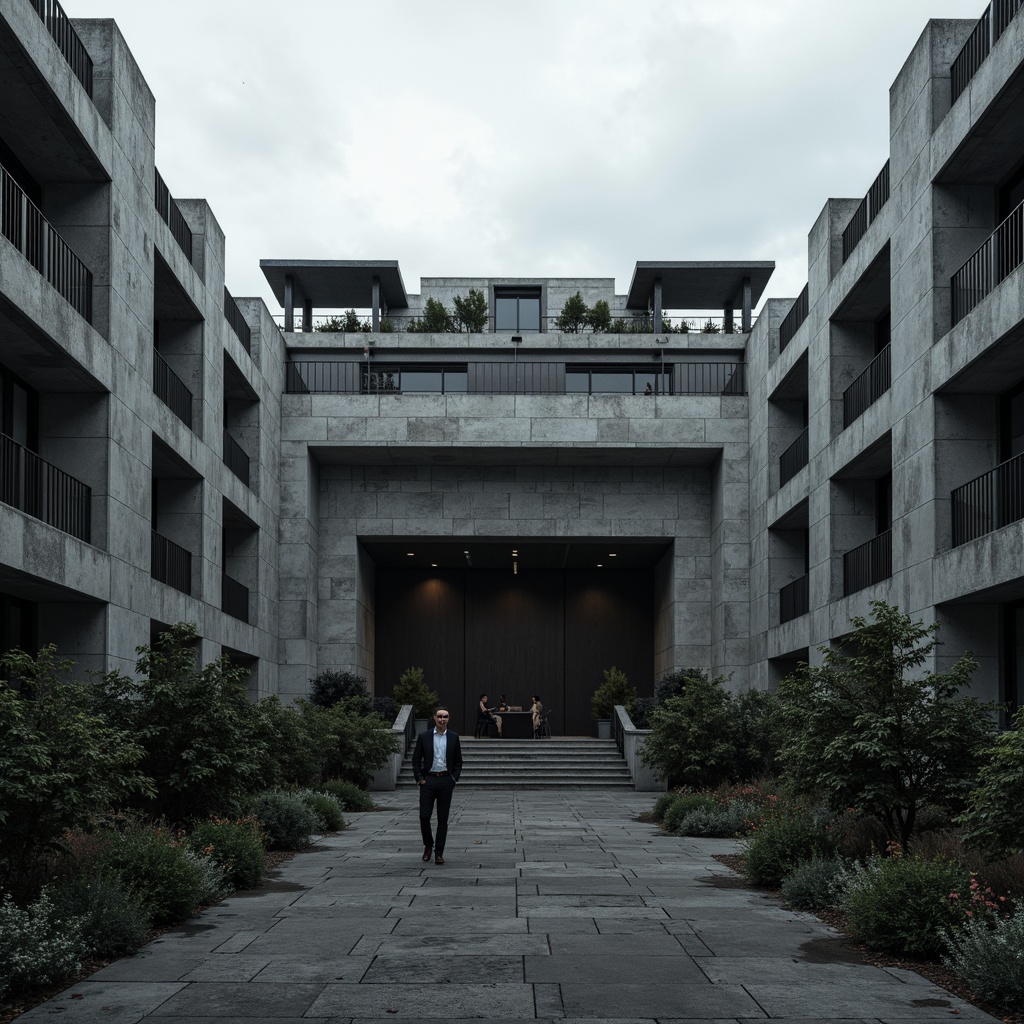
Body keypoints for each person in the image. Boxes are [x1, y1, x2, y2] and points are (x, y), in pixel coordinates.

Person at [412, 706, 462, 865]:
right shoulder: (424, 736)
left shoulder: (454, 737)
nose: (442, 720)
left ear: (449, 718)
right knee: (424, 816)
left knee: (443, 819)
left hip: (446, 781)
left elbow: (458, 761)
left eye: (445, 717)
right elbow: (415, 760)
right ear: (434, 718)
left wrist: (454, 778)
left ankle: (439, 853)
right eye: (440, 717)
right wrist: (420, 778)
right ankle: (428, 844)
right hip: (428, 781)